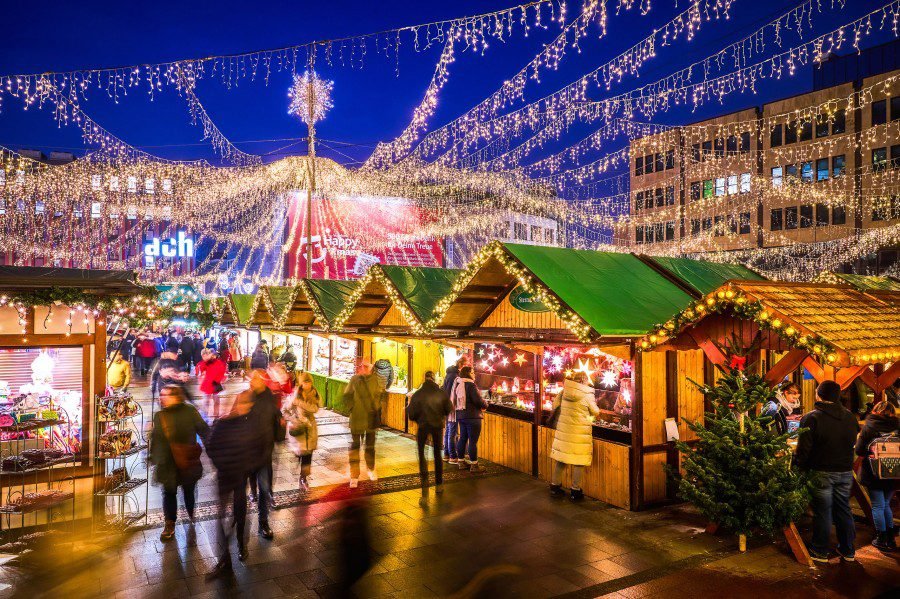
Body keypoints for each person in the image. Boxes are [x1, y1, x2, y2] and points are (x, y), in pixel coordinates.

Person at [796, 380, 860, 563]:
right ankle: (848, 550)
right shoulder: (849, 417)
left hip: (821, 470)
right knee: (843, 509)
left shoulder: (812, 418)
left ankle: (820, 550)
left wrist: (800, 466)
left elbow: (803, 449)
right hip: (845, 470)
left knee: (823, 511)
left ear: (819, 394)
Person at [205, 390, 260, 577]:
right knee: (221, 516)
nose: (244, 407)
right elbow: (211, 446)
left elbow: (256, 449)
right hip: (225, 476)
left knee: (240, 512)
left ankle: (241, 544)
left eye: (247, 405)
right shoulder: (223, 422)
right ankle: (224, 558)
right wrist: (222, 464)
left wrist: (248, 467)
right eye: (242, 403)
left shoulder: (251, 424)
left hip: (240, 476)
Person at [150, 385, 209, 541]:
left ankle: (191, 512)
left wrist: (213, 449)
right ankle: (169, 524)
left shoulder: (189, 411)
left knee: (189, 491)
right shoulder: (160, 415)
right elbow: (157, 438)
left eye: (165, 395)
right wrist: (153, 457)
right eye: (161, 395)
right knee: (169, 493)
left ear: (176, 396)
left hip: (187, 461)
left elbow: (203, 429)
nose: (161, 398)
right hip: (167, 463)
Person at [855, 400, 899, 552]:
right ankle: (891, 538)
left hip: (874, 472)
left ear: (875, 411)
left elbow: (859, 450)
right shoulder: (898, 426)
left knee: (878, 505)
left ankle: (881, 538)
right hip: (894, 471)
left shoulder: (870, 426)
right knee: (886, 504)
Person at [549, 374, 600, 500]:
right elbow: (595, 412)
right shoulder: (588, 394)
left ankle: (555, 486)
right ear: (583, 380)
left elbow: (554, 405)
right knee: (579, 461)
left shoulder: (564, 390)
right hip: (579, 432)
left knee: (561, 459)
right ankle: (575, 490)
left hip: (564, 430)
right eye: (587, 380)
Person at [246, 369, 284, 540]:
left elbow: (278, 420)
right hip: (247, 452)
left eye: (255, 378)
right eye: (251, 378)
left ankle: (263, 523)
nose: (251, 381)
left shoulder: (270, 399)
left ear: (263, 381)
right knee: (250, 483)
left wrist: (281, 425)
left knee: (264, 487)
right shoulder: (246, 397)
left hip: (264, 453)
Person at [407, 371, 452, 499]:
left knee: (422, 455)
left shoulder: (418, 394)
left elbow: (411, 414)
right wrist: (440, 416)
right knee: (437, 454)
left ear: (425, 379)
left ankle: (425, 483)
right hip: (437, 427)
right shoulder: (441, 393)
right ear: (433, 379)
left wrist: (419, 419)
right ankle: (438, 484)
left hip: (422, 427)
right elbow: (449, 409)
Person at [343, 360, 382, 488]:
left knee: (370, 447)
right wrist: (352, 408)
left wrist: (376, 407)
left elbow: (379, 395)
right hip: (356, 419)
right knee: (355, 448)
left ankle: (371, 469)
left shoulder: (376, 380)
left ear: (371, 368)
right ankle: (354, 475)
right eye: (362, 366)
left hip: (370, 420)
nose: (363, 368)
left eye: (366, 366)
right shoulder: (355, 379)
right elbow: (347, 395)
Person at [284, 372, 322, 491]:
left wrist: (299, 403)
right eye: (305, 382)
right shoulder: (295, 395)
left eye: (309, 382)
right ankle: (301, 469)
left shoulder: (314, 394)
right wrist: (293, 420)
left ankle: (303, 478)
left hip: (310, 429)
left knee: (308, 455)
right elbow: (285, 410)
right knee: (300, 453)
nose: (307, 384)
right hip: (299, 429)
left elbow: (314, 408)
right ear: (301, 383)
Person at [454, 366, 487, 473]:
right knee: (473, 441)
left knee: (463, 438)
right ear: (468, 374)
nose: (474, 375)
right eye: (472, 373)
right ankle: (474, 465)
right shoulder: (471, 385)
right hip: (473, 417)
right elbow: (478, 401)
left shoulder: (458, 384)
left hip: (461, 415)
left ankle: (461, 461)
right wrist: (486, 404)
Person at [442, 356, 467, 464]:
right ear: (462, 365)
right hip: (452, 406)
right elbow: (455, 393)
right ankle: (452, 456)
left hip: (447, 405)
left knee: (448, 431)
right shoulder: (455, 376)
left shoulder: (449, 374)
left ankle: (446, 454)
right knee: (452, 431)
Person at [196, 349, 228, 419]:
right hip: (208, 384)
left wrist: (218, 380)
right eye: (203, 356)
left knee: (216, 401)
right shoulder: (206, 363)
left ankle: (216, 416)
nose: (204, 358)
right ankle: (205, 417)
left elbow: (222, 372)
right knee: (206, 402)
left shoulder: (218, 362)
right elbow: (201, 368)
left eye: (206, 356)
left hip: (215, 384)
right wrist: (205, 360)